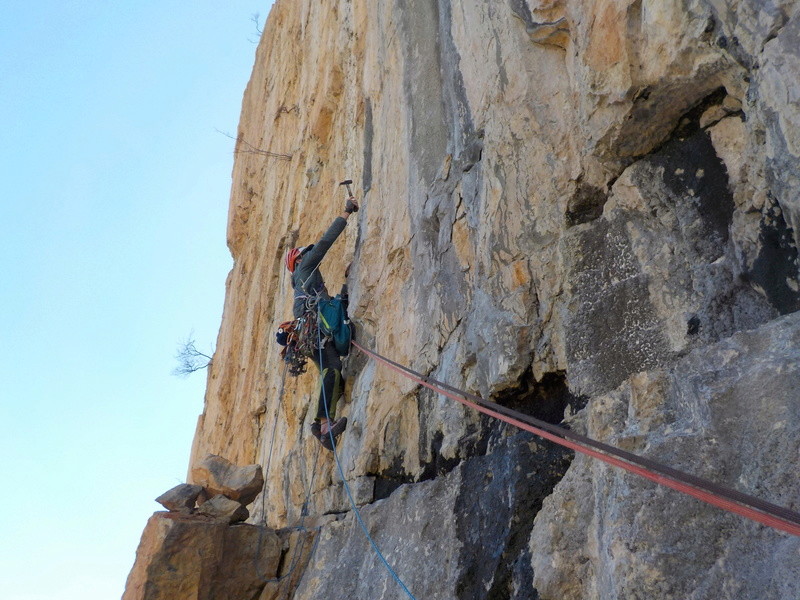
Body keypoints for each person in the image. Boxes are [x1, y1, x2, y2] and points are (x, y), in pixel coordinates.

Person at [285, 195, 359, 450]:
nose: (309, 255)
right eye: (305, 254)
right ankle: (324, 425)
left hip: (310, 333)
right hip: (314, 330)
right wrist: (346, 213)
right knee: (332, 368)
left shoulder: (304, 285)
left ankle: (323, 423)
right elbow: (325, 243)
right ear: (299, 260)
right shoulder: (304, 269)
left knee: (331, 371)